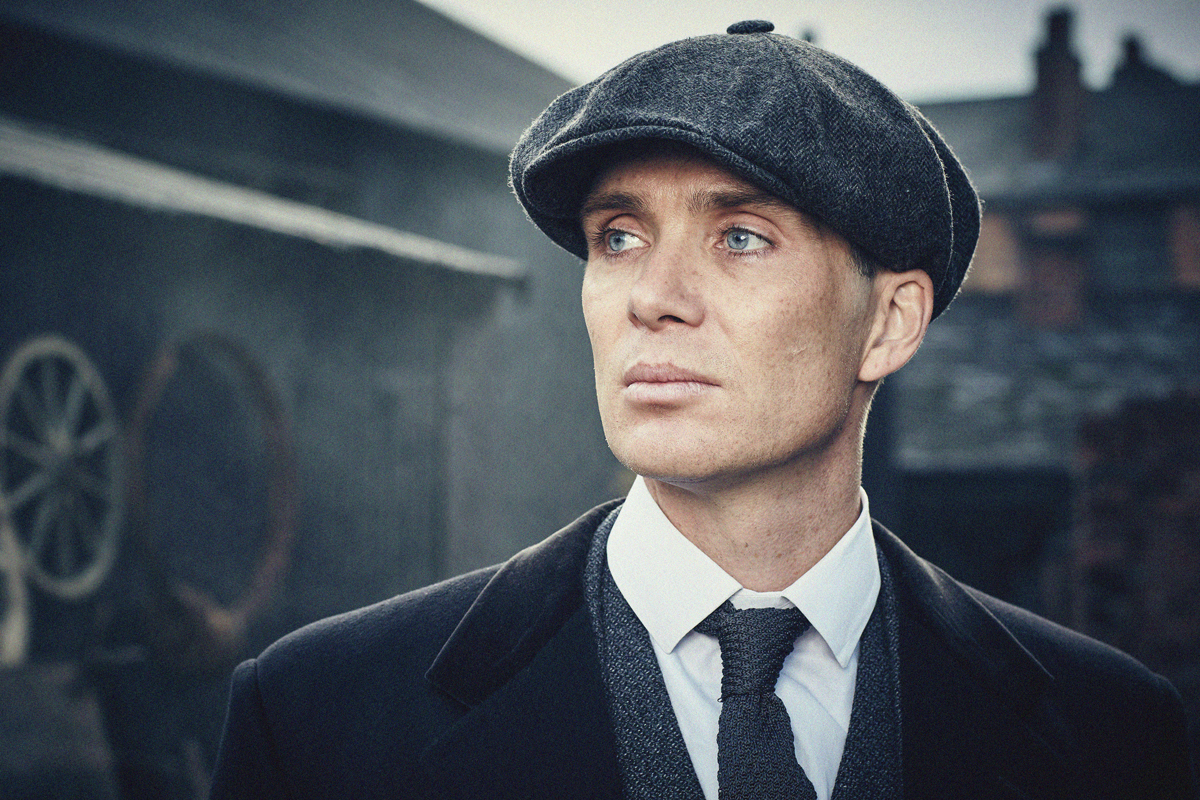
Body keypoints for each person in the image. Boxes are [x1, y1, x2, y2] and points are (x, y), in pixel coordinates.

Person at [209, 21, 1197, 800]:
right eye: (619, 236)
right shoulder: (316, 716)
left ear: (889, 323)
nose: (652, 296)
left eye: (742, 237)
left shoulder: (1113, 734)